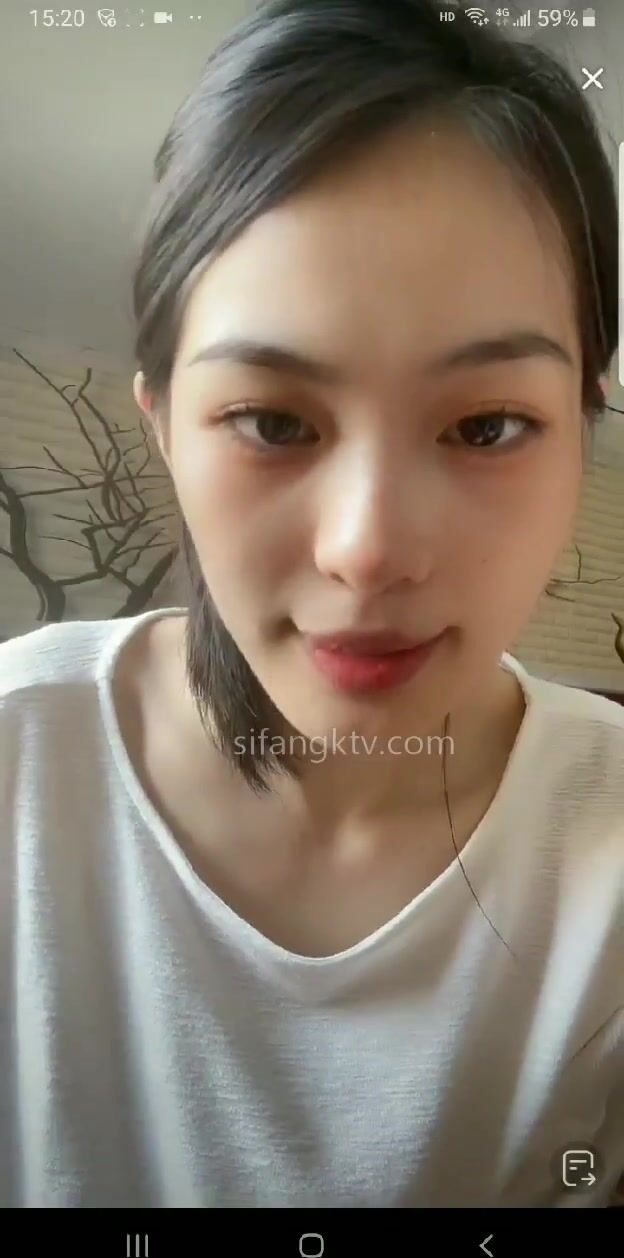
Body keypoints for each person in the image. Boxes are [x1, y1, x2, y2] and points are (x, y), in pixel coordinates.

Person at [0, 0, 622, 1211]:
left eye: (487, 426)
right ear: (164, 428)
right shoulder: (19, 763)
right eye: (274, 422)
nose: (367, 549)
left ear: (580, 434)